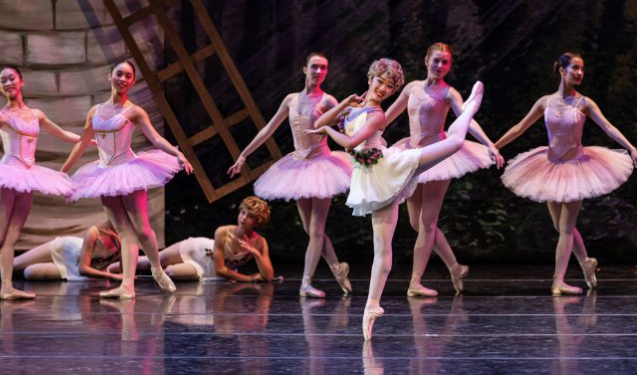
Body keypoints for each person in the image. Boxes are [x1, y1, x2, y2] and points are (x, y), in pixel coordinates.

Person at [308, 58, 484, 340]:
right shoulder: (354, 106)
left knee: (454, 143)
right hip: (373, 179)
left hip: (392, 167)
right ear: (370, 78)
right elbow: (318, 121)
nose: (384, 89)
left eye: (390, 87)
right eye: (380, 82)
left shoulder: (378, 115)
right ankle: (371, 306)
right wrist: (343, 105)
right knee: (382, 248)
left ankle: (471, 106)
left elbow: (350, 143)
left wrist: (327, 132)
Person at [495, 53, 637, 295]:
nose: (580, 73)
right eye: (575, 68)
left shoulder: (584, 103)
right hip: (550, 165)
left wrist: (631, 147)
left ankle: (558, 280)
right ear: (562, 70)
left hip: (577, 166)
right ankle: (586, 262)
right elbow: (520, 128)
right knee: (559, 224)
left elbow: (608, 126)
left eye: (582, 69)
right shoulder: (545, 102)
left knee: (566, 227)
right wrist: (495, 146)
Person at [61, 60, 194, 299]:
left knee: (142, 227)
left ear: (132, 81)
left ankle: (156, 269)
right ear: (109, 76)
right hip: (104, 173)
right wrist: (64, 169)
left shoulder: (134, 111)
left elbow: (155, 139)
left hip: (128, 170)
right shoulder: (95, 111)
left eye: (128, 76)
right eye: (119, 74)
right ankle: (127, 287)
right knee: (123, 231)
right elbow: (82, 143)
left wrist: (177, 153)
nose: (123, 79)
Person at [227, 53, 352, 298]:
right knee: (309, 228)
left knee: (316, 229)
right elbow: (268, 128)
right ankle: (337, 268)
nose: (318, 72)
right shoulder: (291, 99)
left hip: (322, 164)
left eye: (323, 68)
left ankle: (306, 283)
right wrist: (244, 155)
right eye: (315, 67)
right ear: (305, 69)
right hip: (297, 166)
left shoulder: (328, 100)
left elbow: (347, 128)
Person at [384, 43, 503, 296]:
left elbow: (466, 120)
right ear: (426, 60)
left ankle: (415, 282)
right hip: (413, 154)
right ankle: (455, 266)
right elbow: (386, 117)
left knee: (428, 221)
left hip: (438, 155)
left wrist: (489, 144)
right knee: (416, 222)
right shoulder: (412, 88)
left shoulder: (448, 93)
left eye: (445, 62)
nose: (440, 66)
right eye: (436, 60)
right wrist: (364, 129)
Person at [0, 66, 79, 299]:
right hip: (8, 175)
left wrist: (89, 140)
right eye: (2, 80)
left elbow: (64, 134)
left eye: (11, 78)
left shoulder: (37, 115)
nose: (7, 83)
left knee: (12, 237)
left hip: (28, 177)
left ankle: (6, 287)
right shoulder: (2, 115)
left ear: (21, 81)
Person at [113, 196, 277, 282]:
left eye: (250, 216)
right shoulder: (223, 232)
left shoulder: (259, 242)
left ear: (258, 221)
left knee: (170, 272)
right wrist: (248, 279)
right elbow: (220, 268)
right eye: (243, 213)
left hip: (210, 270)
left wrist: (256, 253)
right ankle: (108, 270)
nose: (243, 218)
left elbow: (268, 276)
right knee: (154, 260)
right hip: (199, 250)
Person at [13, 221, 121, 281]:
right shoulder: (95, 232)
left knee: (30, 272)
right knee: (15, 264)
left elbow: (131, 263)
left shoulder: (125, 238)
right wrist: (112, 276)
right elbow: (83, 269)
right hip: (65, 249)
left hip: (74, 268)